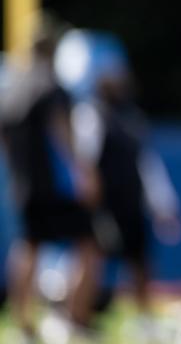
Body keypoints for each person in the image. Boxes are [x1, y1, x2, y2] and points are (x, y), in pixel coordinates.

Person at [54, 28, 181, 326]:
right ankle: (74, 319)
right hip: (104, 204)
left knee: (139, 262)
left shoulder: (131, 116)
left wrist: (163, 205)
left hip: (131, 202)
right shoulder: (89, 114)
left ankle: (144, 319)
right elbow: (85, 162)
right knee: (90, 260)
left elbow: (146, 163)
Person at [0, 17, 101, 339]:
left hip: (21, 184)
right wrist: (84, 174)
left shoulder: (12, 87)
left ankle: (23, 324)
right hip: (57, 187)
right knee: (90, 245)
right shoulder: (51, 87)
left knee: (27, 248)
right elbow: (63, 135)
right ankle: (75, 318)